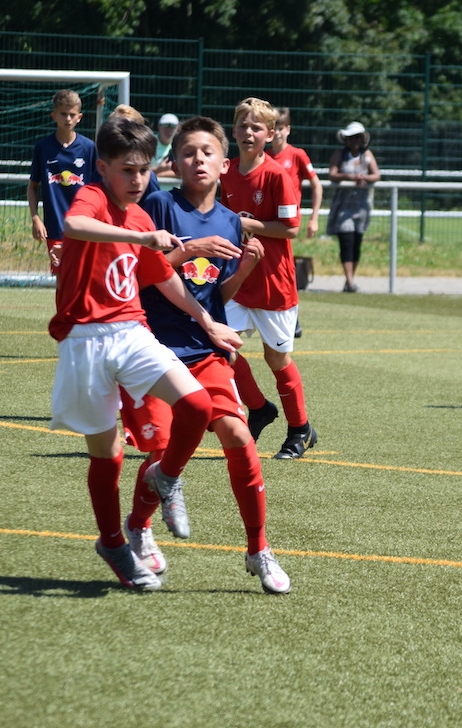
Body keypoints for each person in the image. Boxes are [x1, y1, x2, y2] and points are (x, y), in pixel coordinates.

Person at [48, 114, 242, 590]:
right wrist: (139, 237)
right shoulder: (94, 197)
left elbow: (165, 280)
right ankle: (113, 542)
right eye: (127, 170)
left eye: (144, 170)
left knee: (196, 405)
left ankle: (165, 476)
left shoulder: (138, 214)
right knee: (108, 456)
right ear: (104, 167)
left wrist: (208, 321)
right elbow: (74, 224)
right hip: (84, 340)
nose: (138, 180)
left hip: (132, 331)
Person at [120, 115, 290, 593]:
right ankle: (140, 527)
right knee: (161, 450)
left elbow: (218, 295)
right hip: (150, 347)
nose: (198, 159)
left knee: (239, 435)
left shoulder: (232, 221)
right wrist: (187, 248)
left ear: (223, 163)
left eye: (208, 152)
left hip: (204, 348)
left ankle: (259, 550)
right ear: (174, 162)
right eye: (189, 152)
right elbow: (132, 274)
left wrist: (246, 268)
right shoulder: (156, 205)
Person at [220, 96, 317, 459]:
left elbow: (290, 228)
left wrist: (245, 223)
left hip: (274, 281)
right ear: (233, 130)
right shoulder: (225, 170)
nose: (248, 132)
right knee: (220, 349)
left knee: (277, 360)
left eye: (256, 127)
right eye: (242, 126)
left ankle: (299, 429)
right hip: (237, 278)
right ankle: (259, 408)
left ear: (270, 133)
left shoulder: (276, 174)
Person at [267, 106, 324, 339]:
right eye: (274, 129)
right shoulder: (264, 156)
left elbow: (316, 184)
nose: (278, 133)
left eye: (281, 128)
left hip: (288, 224)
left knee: (286, 269)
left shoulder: (297, 155)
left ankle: (293, 319)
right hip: (268, 221)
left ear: (288, 130)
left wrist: (314, 217)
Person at [27, 89, 97, 274]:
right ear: (54, 116)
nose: (68, 118)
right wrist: (36, 219)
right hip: (56, 226)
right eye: (63, 114)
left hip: (85, 225)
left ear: (79, 117)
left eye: (72, 114)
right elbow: (33, 187)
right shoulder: (43, 148)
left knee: (85, 275)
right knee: (62, 277)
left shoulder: (89, 148)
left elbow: (98, 189)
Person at [326, 121, 380, 293]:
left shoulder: (367, 155)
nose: (355, 141)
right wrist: (349, 177)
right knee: (346, 241)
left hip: (361, 207)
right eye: (351, 137)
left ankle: (350, 279)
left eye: (358, 137)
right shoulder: (340, 155)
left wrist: (364, 179)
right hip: (343, 205)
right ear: (346, 139)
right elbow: (332, 174)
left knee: (356, 242)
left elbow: (376, 174)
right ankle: (349, 281)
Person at [151, 113, 179, 177]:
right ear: (159, 127)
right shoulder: (148, 143)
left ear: (177, 128)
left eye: (173, 126)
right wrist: (159, 169)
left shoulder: (180, 145)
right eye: (165, 125)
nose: (169, 130)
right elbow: (140, 171)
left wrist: (158, 174)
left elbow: (183, 173)